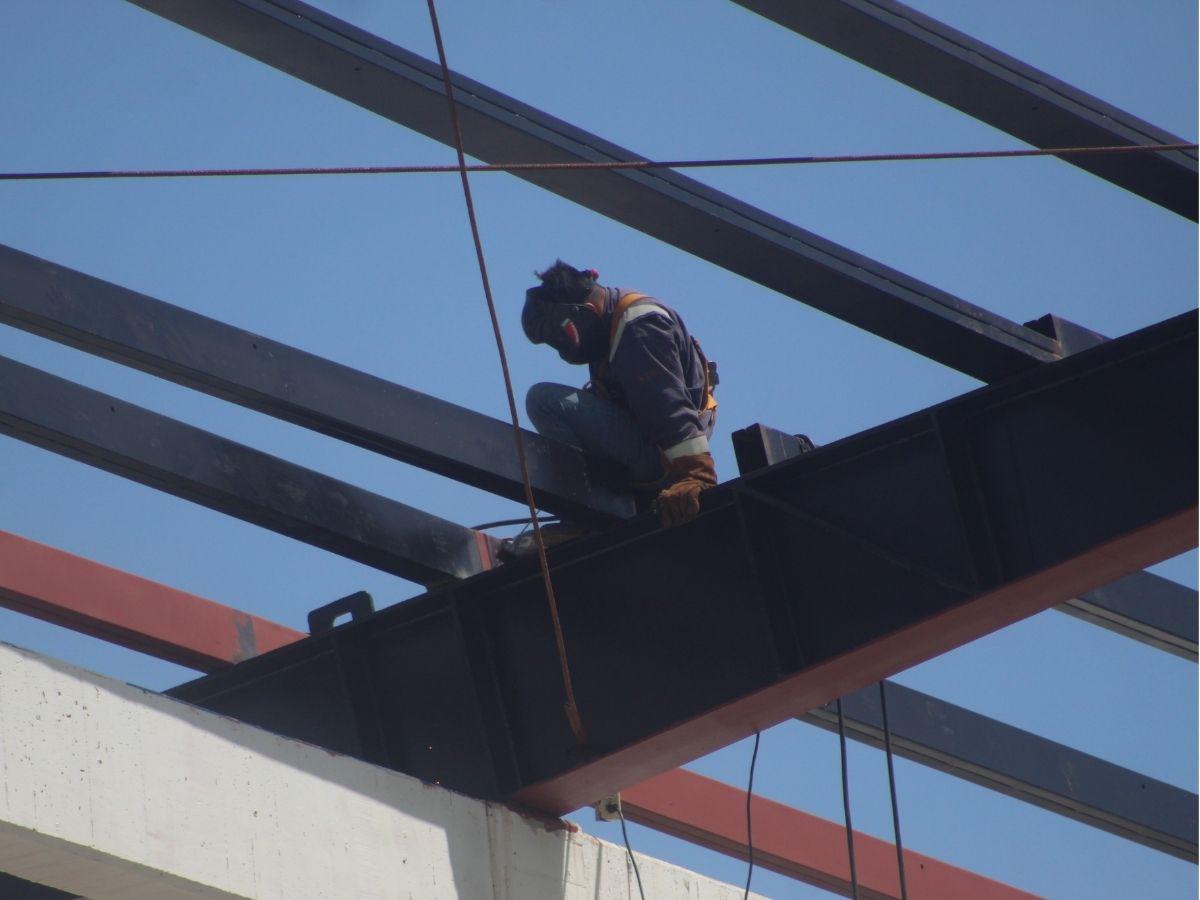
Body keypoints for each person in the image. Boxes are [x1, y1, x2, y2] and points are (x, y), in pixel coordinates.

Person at [520, 260, 718, 529]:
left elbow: (667, 404)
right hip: (655, 447)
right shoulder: (608, 328)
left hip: (665, 457)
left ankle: (588, 511)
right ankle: (604, 503)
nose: (564, 350)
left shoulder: (637, 327)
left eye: (561, 339)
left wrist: (696, 472)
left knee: (542, 400)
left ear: (585, 312)